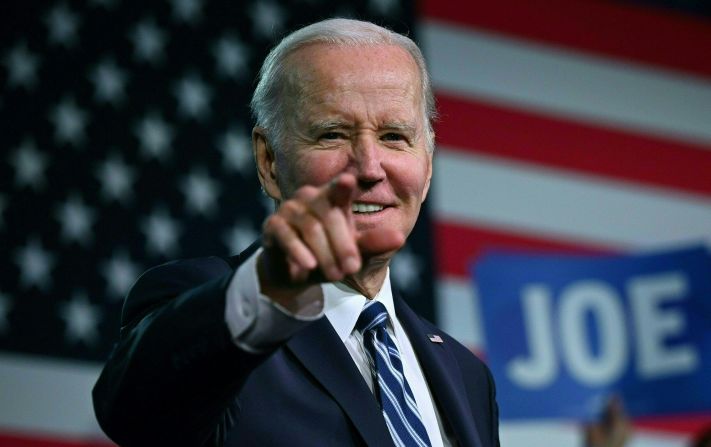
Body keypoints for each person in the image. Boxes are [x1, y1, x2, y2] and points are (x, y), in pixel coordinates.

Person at [92, 18, 500, 447]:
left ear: (428, 165)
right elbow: (137, 413)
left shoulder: (467, 375)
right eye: (333, 135)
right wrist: (269, 290)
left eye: (394, 136)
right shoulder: (217, 307)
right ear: (269, 162)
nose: (369, 168)